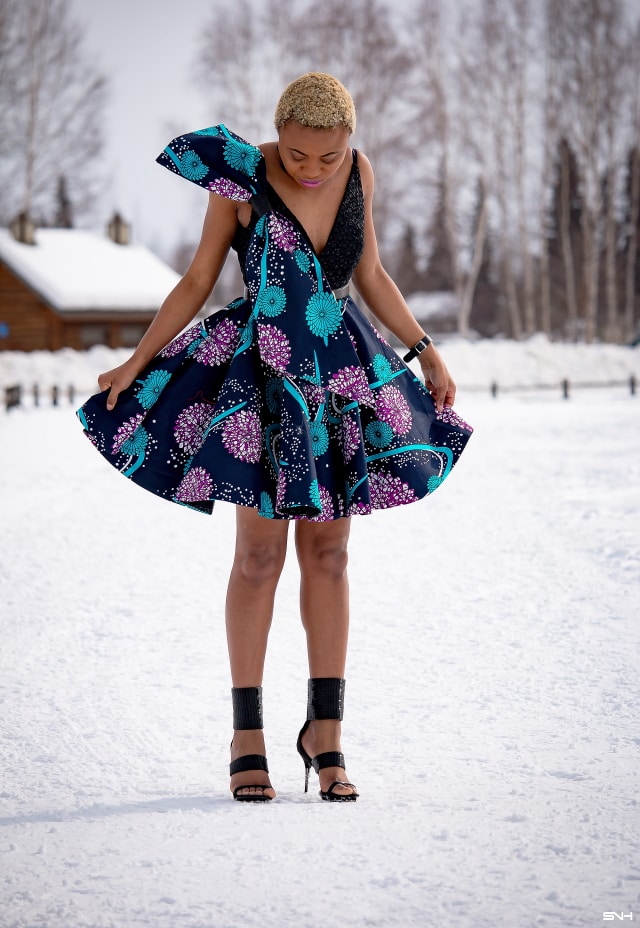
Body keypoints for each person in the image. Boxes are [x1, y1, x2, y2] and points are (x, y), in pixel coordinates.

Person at [78, 72, 472, 804]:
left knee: (329, 554)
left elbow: (372, 272)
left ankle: (326, 732)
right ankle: (248, 735)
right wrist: (138, 360)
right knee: (258, 558)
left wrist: (426, 349)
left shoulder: (362, 173)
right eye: (295, 156)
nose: (313, 170)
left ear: (350, 143)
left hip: (338, 376)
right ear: (276, 136)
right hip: (261, 380)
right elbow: (198, 280)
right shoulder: (237, 177)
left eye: (328, 157)